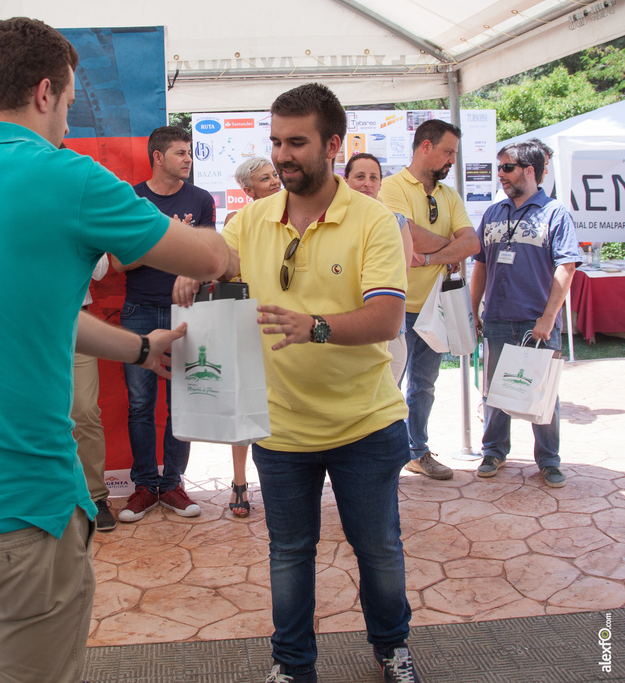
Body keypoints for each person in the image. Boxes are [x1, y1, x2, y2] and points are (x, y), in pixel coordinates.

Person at [0, 17, 233, 683]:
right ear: (45, 92)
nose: (68, 115)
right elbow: (208, 253)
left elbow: (38, 313)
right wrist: (236, 246)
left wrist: (134, 347)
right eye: (69, 100)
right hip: (16, 505)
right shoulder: (67, 177)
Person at [174, 83, 420, 683]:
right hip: (280, 425)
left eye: (297, 143)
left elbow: (387, 319)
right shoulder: (252, 218)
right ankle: (293, 668)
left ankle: (393, 649)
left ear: (333, 144)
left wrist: (312, 327)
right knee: (289, 555)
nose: (283, 155)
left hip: (366, 421)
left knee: (379, 552)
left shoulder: (375, 222)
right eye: (277, 142)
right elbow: (217, 259)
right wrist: (193, 273)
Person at [113, 125, 216, 524]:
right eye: (180, 153)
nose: (188, 159)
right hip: (138, 311)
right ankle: (143, 487)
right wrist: (169, 235)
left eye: (189, 153)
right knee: (140, 405)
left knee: (181, 405)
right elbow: (119, 263)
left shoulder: (201, 200)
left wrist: (162, 240)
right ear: (157, 157)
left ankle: (172, 484)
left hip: (186, 314)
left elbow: (208, 259)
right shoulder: (131, 198)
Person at [470, 140, 580, 488]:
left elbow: (567, 268)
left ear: (529, 171)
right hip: (498, 319)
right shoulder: (492, 213)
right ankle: (493, 452)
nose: (500, 174)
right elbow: (482, 266)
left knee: (542, 395)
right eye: (499, 168)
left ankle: (549, 460)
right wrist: (473, 310)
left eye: (507, 167)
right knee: (494, 392)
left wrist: (548, 318)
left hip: (537, 323)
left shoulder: (555, 213)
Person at [378, 119, 480, 481]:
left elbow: (472, 244)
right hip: (395, 305)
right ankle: (385, 455)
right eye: (448, 151)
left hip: (435, 307)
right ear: (425, 147)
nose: (452, 159)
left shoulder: (449, 194)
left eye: (454, 153)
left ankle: (417, 451)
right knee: (387, 384)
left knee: (424, 384)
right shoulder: (389, 188)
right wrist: (447, 247)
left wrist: (434, 256)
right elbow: (409, 237)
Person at [224, 156, 281, 517]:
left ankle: (280, 480)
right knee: (245, 406)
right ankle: (239, 483)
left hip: (283, 324)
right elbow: (226, 272)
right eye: (265, 178)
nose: (275, 181)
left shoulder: (294, 214)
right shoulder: (237, 222)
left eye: (274, 174)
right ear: (248, 190)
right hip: (246, 322)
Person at [344, 153, 414, 383]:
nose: (367, 183)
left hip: (387, 333)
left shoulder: (397, 222)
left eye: (374, 177)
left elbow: (399, 278)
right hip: (344, 328)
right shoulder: (333, 222)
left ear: (380, 184)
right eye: (360, 176)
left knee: (387, 406)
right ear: (345, 181)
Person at [74, 254, 117, 531]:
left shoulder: (76, 211)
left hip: (77, 321)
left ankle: (95, 497)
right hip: (26, 322)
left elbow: (101, 269)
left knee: (86, 410)